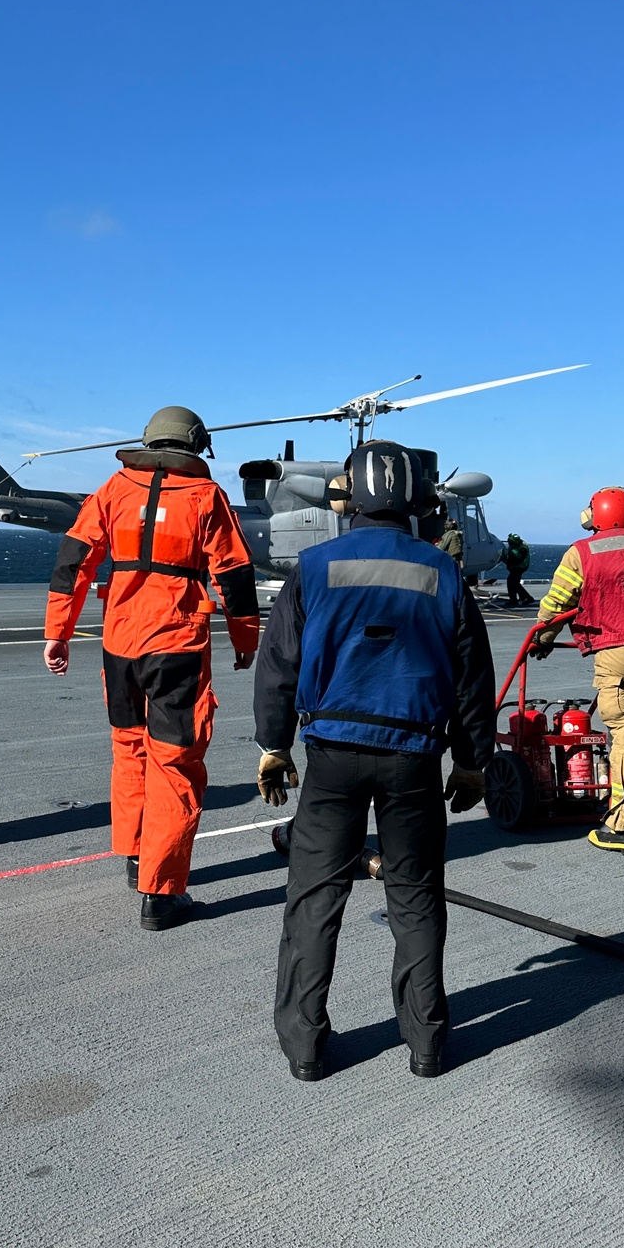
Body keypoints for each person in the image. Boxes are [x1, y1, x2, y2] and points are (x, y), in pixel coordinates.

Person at [253, 440, 496, 1082]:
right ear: (416, 500)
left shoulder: (313, 566)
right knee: (415, 899)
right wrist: (472, 760)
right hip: (413, 757)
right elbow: (472, 676)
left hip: (331, 755)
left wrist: (273, 745)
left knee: (313, 899)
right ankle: (428, 1045)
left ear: (350, 497)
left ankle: (305, 1049)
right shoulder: (443, 573)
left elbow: (278, 665)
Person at [44, 406, 259, 929]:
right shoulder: (206, 497)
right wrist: (245, 637)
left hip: (119, 643)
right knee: (175, 761)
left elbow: (73, 561)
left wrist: (57, 632)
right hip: (175, 644)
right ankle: (162, 895)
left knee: (130, 747)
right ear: (194, 445)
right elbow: (234, 572)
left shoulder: (114, 489)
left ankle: (138, 855)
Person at [535, 486, 624, 856]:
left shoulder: (581, 552)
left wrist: (543, 637)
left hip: (619, 652)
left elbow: (556, 602)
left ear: (592, 517)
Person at [502, 532, 532, 605]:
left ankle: (515, 600)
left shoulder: (522, 548)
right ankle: (524, 597)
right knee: (515, 583)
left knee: (511, 582)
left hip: (520, 566)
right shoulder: (513, 545)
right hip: (515, 566)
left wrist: (510, 564)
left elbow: (519, 559)